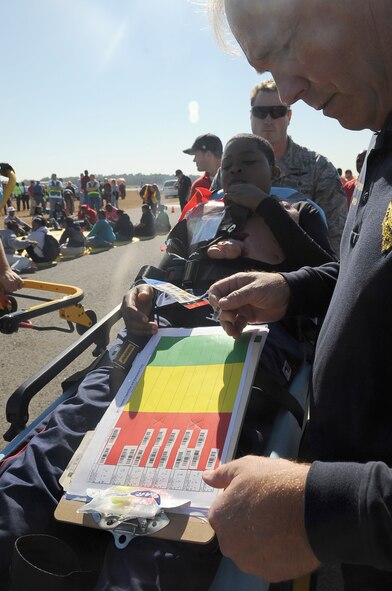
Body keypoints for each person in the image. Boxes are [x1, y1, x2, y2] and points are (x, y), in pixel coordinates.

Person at [0, 133, 334, 590]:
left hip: (241, 346)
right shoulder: (200, 216)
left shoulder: (297, 212)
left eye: (248, 162)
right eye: (227, 165)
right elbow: (156, 276)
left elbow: (325, 278)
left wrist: (266, 207)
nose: (233, 170)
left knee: (181, 483)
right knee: (61, 436)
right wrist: (136, 297)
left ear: (275, 172)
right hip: (150, 342)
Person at [204, 0, 392, 588]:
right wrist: (290, 288)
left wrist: (326, 512)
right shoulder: (380, 140)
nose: (284, 95)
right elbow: (368, 283)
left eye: (285, 46)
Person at [249, 78, 347, 257]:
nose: (268, 119)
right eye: (260, 112)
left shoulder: (319, 169)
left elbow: (337, 240)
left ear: (289, 116)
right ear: (251, 116)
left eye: (277, 111)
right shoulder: (232, 170)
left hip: (301, 278)